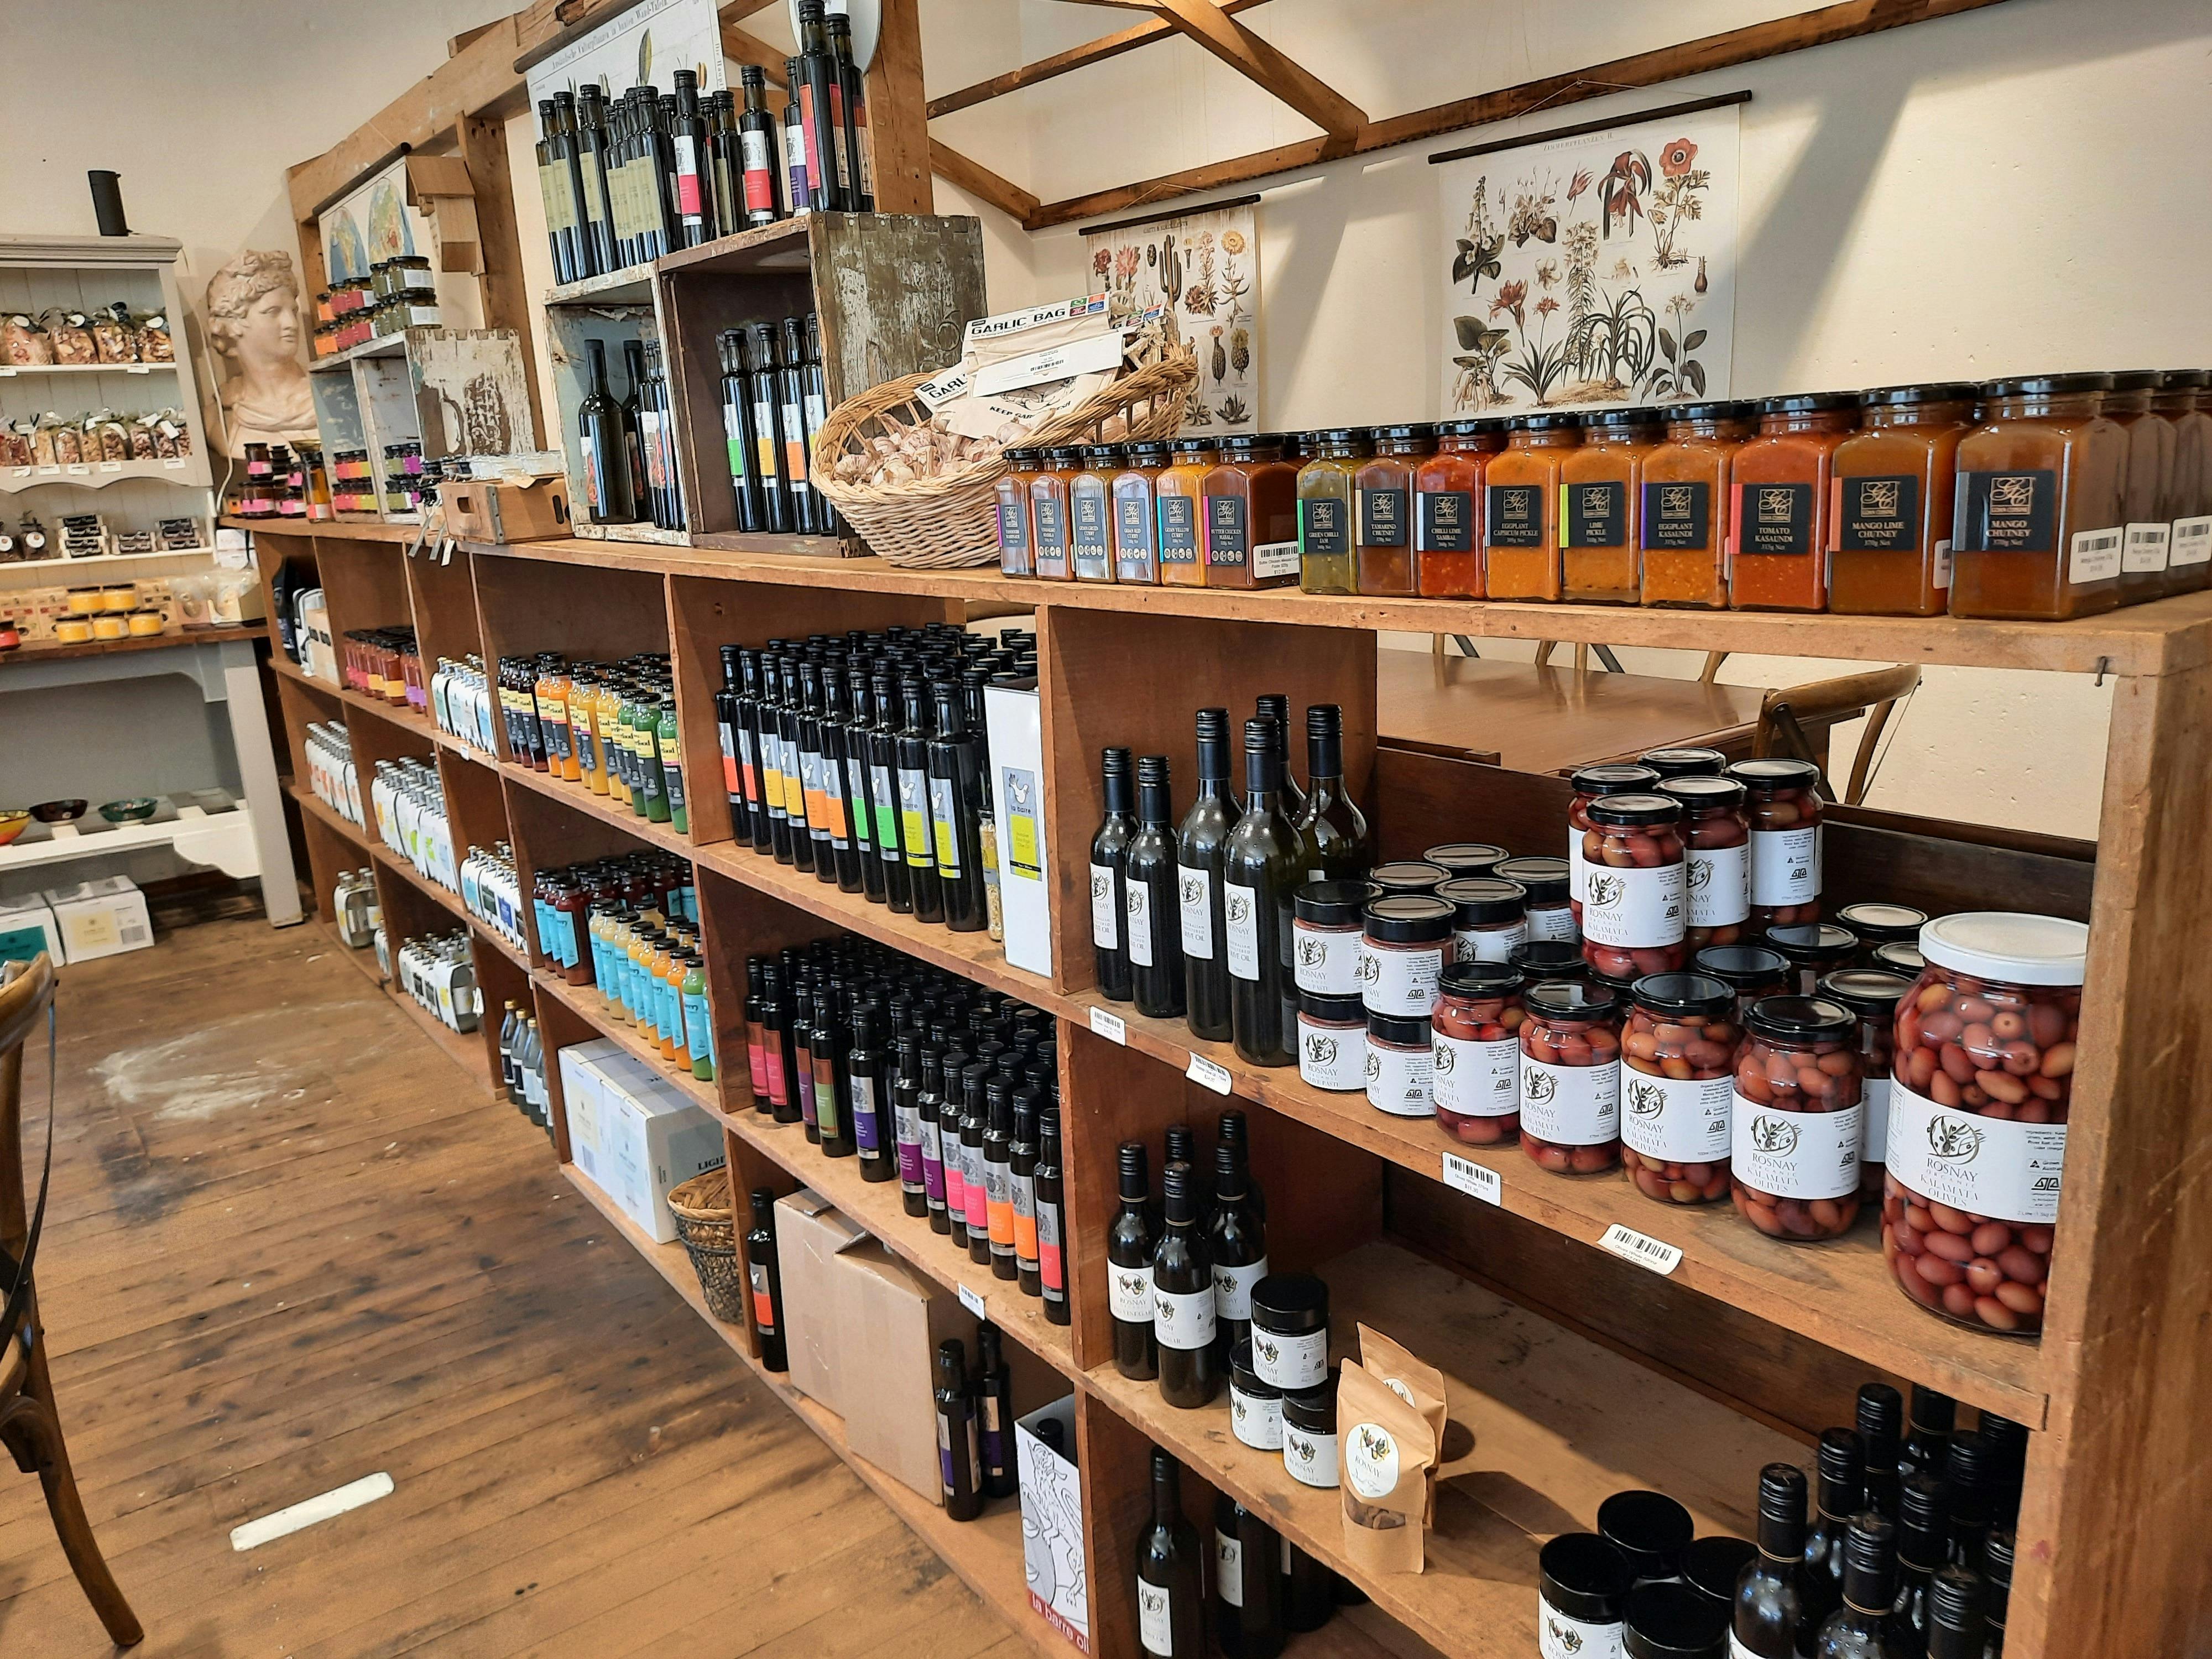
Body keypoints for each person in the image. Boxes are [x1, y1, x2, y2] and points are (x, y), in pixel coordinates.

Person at [205, 249, 319, 456]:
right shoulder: (218, 418)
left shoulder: (328, 400)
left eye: (292, 311)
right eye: (273, 312)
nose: (291, 324)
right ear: (232, 324)